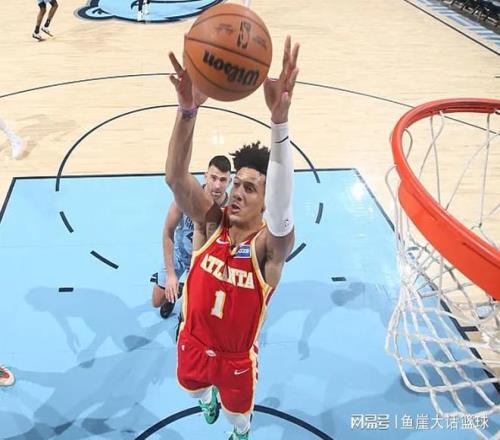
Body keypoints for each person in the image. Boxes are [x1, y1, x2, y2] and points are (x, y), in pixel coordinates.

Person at [165, 36, 299, 440]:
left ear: (266, 200)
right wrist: (187, 111)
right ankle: (206, 399)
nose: (237, 192)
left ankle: (240, 432)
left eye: (249, 188)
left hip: (236, 359)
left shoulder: (269, 248)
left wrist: (279, 123)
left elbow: (282, 209)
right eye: (236, 184)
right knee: (193, 390)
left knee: (238, 417)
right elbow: (175, 177)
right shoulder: (210, 223)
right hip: (192, 341)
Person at [152, 155, 232, 320]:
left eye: (223, 180)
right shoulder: (187, 198)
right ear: (205, 176)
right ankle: (178, 290)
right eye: (214, 178)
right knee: (156, 301)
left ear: (229, 182)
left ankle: (186, 307)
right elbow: (168, 232)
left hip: (206, 264)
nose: (217, 185)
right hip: (180, 255)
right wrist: (171, 275)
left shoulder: (232, 210)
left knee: (190, 311)